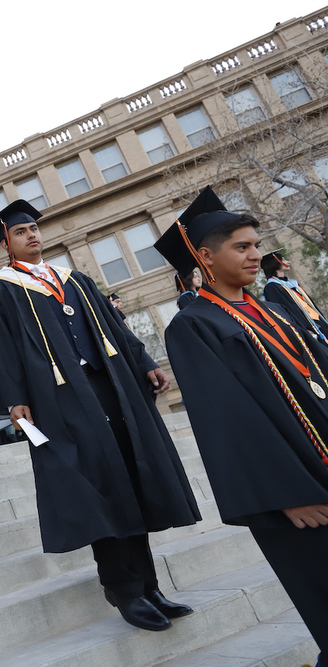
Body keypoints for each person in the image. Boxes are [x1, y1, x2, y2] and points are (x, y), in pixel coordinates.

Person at [0, 199, 200, 632]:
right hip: (56, 400)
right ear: (6, 243)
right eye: (21, 232)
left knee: (131, 478)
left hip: (109, 387)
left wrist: (144, 361)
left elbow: (115, 327)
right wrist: (14, 398)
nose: (32, 235)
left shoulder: (72, 278)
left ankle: (149, 587)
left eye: (35, 228)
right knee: (98, 487)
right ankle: (122, 588)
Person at [156, 186, 328, 666]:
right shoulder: (193, 326)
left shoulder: (269, 309)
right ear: (205, 257)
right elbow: (227, 420)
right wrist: (287, 492)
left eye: (256, 244)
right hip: (293, 488)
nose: (257, 254)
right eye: (243, 247)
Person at [261, 249, 328, 345]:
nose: (288, 262)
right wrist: (304, 329)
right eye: (283, 260)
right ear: (275, 263)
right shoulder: (272, 287)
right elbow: (286, 311)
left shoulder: (292, 283)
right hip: (307, 328)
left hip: (317, 321)